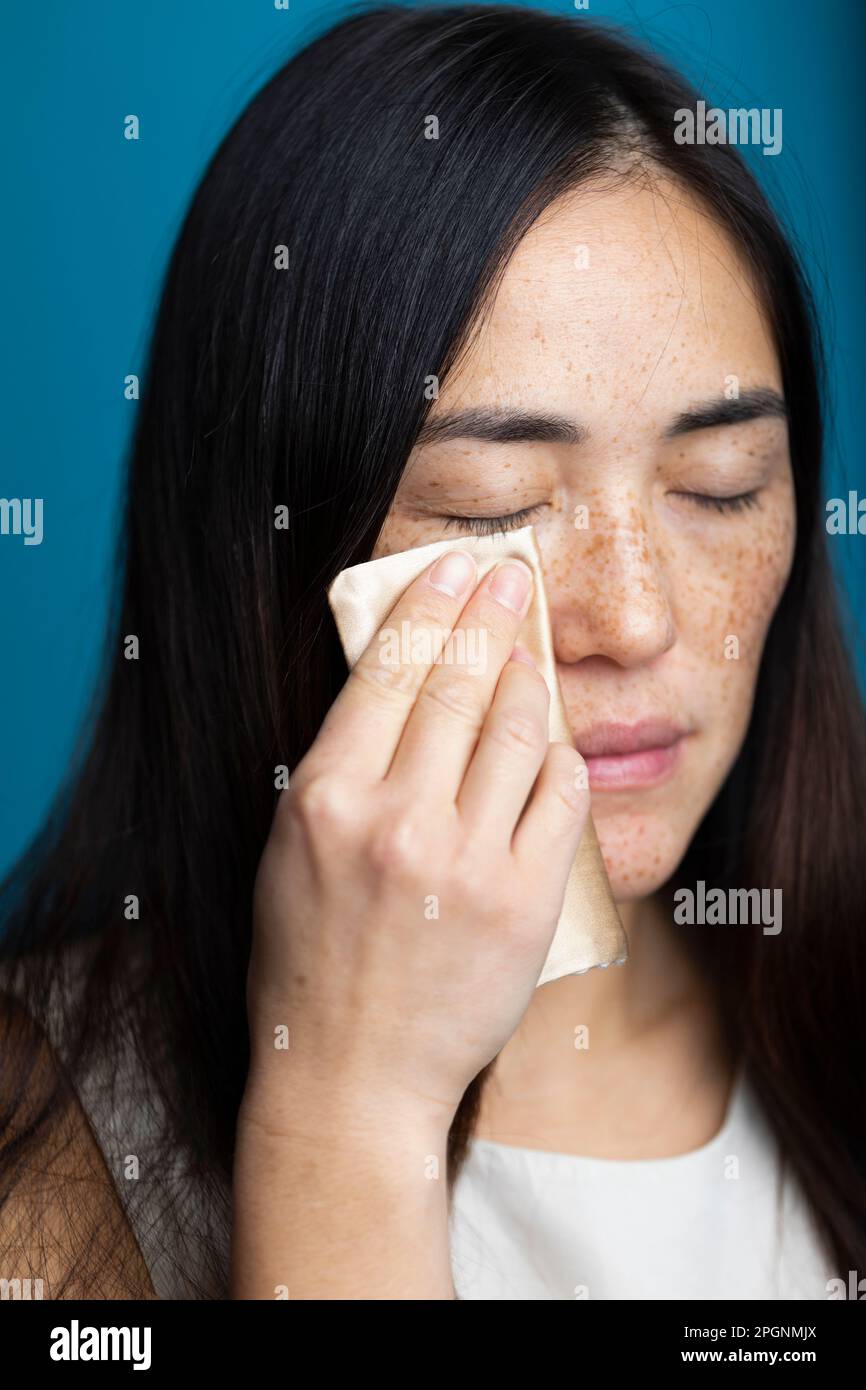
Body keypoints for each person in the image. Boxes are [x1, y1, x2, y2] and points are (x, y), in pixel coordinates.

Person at [1, 4, 864, 1301]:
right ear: (265, 553)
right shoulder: (45, 1138)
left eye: (721, 484)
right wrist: (344, 1114)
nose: (632, 621)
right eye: (490, 507)